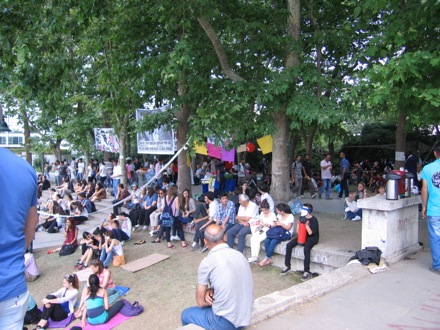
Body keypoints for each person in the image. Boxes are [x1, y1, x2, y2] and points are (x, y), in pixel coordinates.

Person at [181, 224, 254, 329]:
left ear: (205, 242)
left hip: (225, 322)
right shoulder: (240, 255)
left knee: (186, 314)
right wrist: (211, 290)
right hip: (244, 318)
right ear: (224, 237)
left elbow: (201, 302)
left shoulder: (207, 262)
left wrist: (207, 295)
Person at [281, 203, 319, 281]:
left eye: (303, 209)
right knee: (289, 245)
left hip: (312, 238)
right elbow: (297, 231)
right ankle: (287, 266)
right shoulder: (302, 217)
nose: (301, 211)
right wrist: (299, 223)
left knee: (306, 248)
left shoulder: (314, 220)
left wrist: (306, 224)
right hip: (302, 235)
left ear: (308, 211)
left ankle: (306, 271)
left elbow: (311, 233)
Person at [421, 141, 440, 274]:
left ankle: (437, 266)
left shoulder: (427, 168)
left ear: (435, 153)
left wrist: (423, 206)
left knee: (435, 238)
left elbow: (424, 189)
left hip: (434, 209)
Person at [258, 203, 294, 267]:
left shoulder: (290, 216)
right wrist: (270, 225)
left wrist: (281, 224)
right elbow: (275, 224)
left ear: (282, 211)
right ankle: (269, 258)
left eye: (277, 210)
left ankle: (265, 259)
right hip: (278, 231)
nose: (276, 211)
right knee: (267, 240)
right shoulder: (279, 215)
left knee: (273, 241)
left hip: (286, 233)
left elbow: (289, 228)